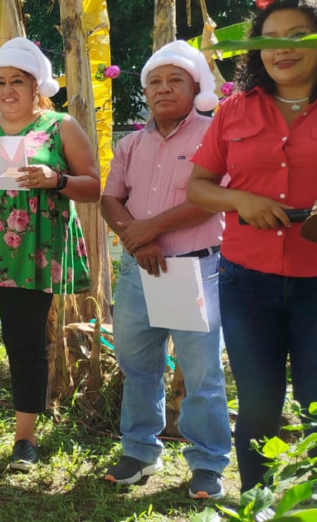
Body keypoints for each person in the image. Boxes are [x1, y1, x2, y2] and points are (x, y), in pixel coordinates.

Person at [186, 0, 317, 492]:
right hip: (248, 283)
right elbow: (197, 186)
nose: (282, 49)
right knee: (259, 409)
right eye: (270, 39)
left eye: (298, 37)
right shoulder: (234, 110)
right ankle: (257, 503)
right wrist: (241, 201)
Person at [0, 37, 100, 471]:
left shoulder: (59, 127)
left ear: (36, 87)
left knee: (25, 346)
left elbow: (94, 185)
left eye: (18, 82)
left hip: (29, 256)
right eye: (0, 82)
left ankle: (24, 441)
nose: (7, 90)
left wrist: (55, 178)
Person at [100, 40, 232, 499]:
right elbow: (109, 198)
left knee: (200, 374)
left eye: (175, 80)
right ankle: (138, 451)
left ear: (197, 87)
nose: (163, 88)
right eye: (154, 81)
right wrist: (138, 239)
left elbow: (209, 197)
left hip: (193, 269)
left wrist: (147, 231)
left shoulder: (214, 135)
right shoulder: (132, 142)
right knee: (138, 367)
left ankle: (208, 462)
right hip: (140, 271)